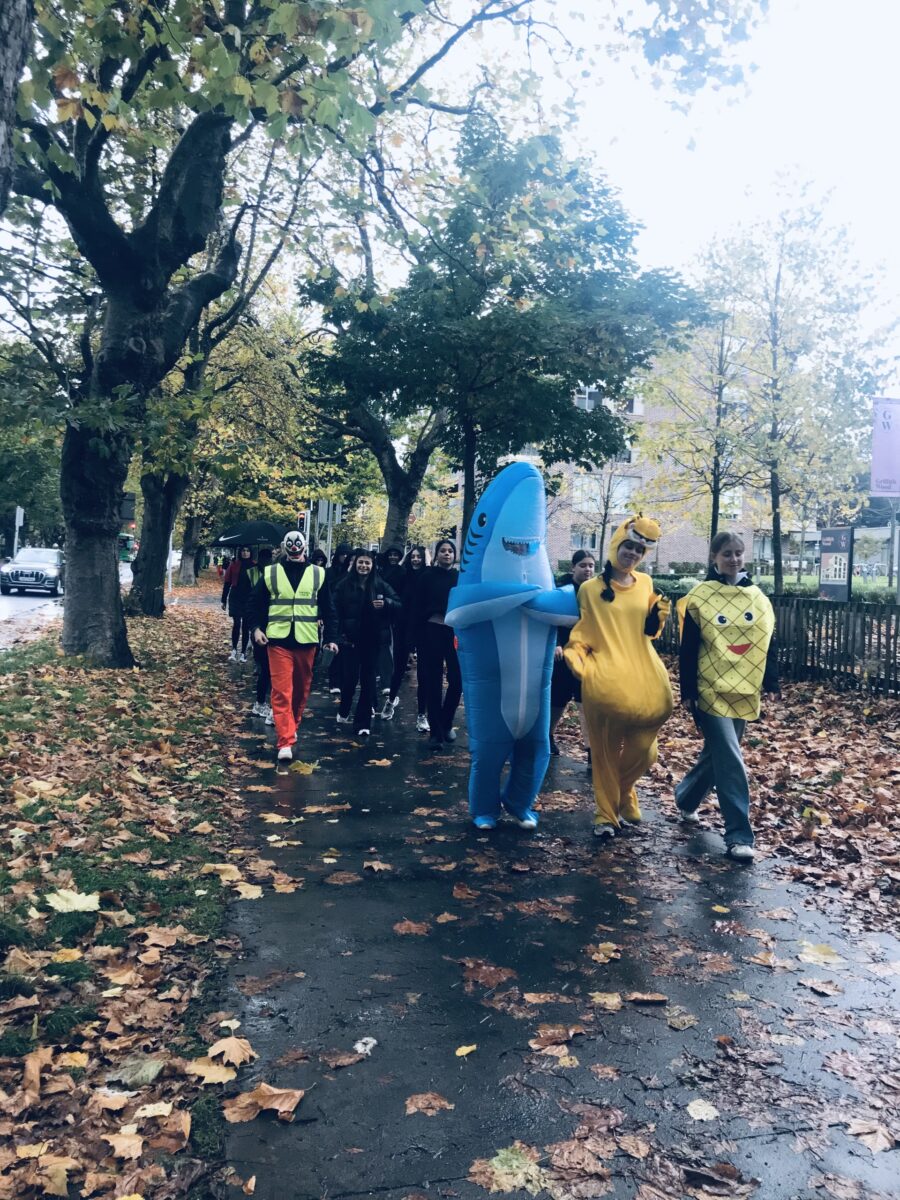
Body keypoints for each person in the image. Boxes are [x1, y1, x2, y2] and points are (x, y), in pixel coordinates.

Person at [564, 516, 673, 842]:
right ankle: (606, 815)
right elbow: (585, 630)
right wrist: (576, 656)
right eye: (628, 546)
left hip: (642, 676)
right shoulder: (590, 589)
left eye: (639, 550)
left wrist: (657, 619)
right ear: (616, 545)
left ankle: (623, 792)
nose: (632, 554)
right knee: (605, 752)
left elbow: (648, 632)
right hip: (605, 680)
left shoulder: (646, 583)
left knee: (646, 751)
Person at [674, 531, 778, 862]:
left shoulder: (757, 597)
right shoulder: (700, 597)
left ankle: (686, 798)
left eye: (738, 553)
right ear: (714, 558)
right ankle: (738, 836)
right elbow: (689, 647)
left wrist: (771, 683)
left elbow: (766, 641)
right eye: (727, 553)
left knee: (717, 754)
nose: (734, 559)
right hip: (710, 687)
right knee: (731, 758)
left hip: (745, 688)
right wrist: (688, 690)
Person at [247, 531, 337, 762]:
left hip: (307, 640)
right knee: (281, 690)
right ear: (284, 547)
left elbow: (329, 608)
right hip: (278, 640)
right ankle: (285, 741)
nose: (295, 549)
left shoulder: (318, 573)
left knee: (300, 690)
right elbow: (255, 603)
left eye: (298, 545)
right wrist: (256, 628)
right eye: (291, 545)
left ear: (305, 546)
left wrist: (331, 638)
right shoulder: (271, 572)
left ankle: (292, 725)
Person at [333, 549, 400, 737]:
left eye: (367, 563)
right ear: (355, 564)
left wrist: (386, 603)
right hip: (350, 640)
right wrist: (336, 636)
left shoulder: (380, 585)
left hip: (372, 639)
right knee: (350, 679)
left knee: (368, 681)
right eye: (361, 562)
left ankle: (363, 723)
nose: (364, 566)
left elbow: (398, 603)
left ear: (372, 566)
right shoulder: (344, 585)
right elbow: (334, 610)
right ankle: (345, 707)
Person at [414, 538, 462, 750]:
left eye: (450, 551)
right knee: (432, 681)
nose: (447, 554)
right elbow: (417, 606)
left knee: (457, 680)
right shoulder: (426, 577)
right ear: (436, 555)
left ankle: (446, 721)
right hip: (431, 630)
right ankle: (435, 732)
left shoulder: (460, 578)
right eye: (443, 551)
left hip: (455, 632)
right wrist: (415, 638)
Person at [550, 550, 595, 761]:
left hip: (587, 654)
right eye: (583, 565)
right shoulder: (561, 590)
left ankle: (591, 750)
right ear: (573, 567)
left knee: (585, 700)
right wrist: (556, 644)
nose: (588, 569)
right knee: (558, 699)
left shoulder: (596, 591)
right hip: (563, 654)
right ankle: (548, 735)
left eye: (591, 566)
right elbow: (551, 619)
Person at [383, 545, 429, 726]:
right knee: (399, 668)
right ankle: (390, 701)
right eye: (413, 556)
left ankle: (422, 714)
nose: (416, 560)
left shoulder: (428, 576)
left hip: (423, 627)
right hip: (403, 626)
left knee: (424, 672)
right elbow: (389, 582)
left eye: (419, 557)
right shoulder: (403, 575)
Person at [322, 544, 352, 695]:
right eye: (343, 555)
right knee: (333, 645)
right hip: (333, 613)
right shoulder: (329, 573)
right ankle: (334, 681)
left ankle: (341, 680)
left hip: (346, 615)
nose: (345, 558)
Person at [377, 546, 406, 698]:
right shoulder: (381, 571)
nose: (393, 558)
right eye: (391, 555)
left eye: (396, 555)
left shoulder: (402, 572)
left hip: (394, 612)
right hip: (380, 612)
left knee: (388, 647)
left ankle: (387, 679)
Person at [221, 546, 257, 662]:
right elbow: (227, 582)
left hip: (248, 598)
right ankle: (234, 649)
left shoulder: (254, 566)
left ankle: (243, 652)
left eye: (247, 551)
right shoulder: (234, 564)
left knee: (246, 626)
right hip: (235, 597)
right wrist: (223, 599)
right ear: (240, 552)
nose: (245, 553)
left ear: (250, 553)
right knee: (236, 623)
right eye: (243, 551)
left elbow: (258, 584)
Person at [250, 548, 274, 722]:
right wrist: (256, 628)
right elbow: (253, 602)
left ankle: (262, 703)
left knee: (268, 670)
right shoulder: (266, 577)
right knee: (267, 670)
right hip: (265, 629)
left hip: (270, 629)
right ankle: (261, 703)